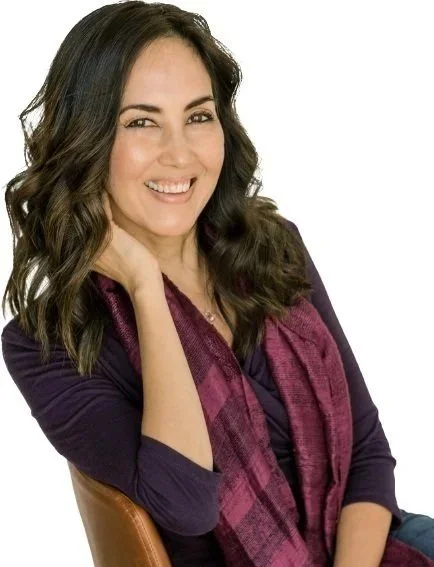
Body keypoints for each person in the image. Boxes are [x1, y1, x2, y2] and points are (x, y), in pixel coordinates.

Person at [1, 2, 433, 565]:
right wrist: (146, 288)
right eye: (141, 122)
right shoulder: (48, 343)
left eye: (199, 117)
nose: (180, 153)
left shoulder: (272, 247)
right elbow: (186, 503)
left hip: (371, 550)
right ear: (87, 141)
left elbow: (367, 454)